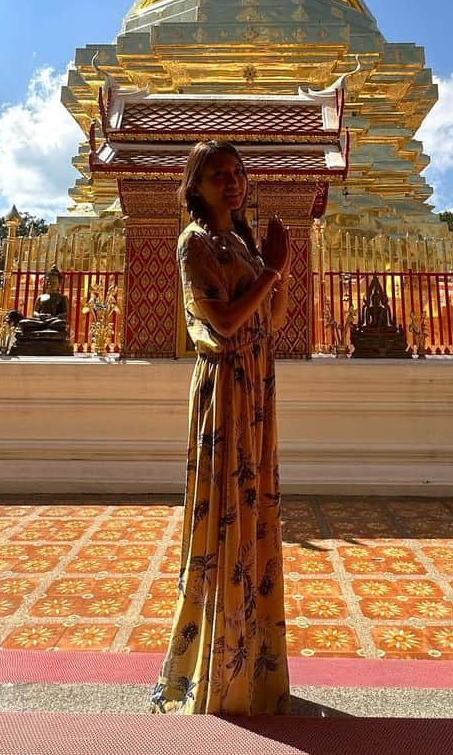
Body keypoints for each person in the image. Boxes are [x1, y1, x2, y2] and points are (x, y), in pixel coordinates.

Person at [151, 140, 291, 715]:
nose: (231, 182)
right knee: (225, 514)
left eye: (237, 172)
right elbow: (228, 322)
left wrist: (277, 275)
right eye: (218, 175)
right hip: (227, 386)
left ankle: (251, 666)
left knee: (253, 510)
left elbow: (270, 320)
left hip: (257, 386)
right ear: (196, 185)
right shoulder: (196, 243)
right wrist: (273, 272)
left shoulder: (240, 242)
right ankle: (211, 670)